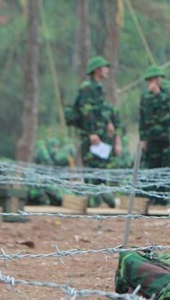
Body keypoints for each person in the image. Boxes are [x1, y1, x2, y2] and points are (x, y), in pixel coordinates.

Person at [72, 55, 122, 208]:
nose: (107, 70)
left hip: (101, 136)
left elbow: (101, 109)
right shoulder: (87, 87)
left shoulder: (99, 89)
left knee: (100, 168)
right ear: (97, 70)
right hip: (92, 136)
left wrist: (108, 123)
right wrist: (92, 132)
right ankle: (93, 202)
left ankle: (99, 200)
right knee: (91, 169)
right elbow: (86, 111)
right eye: (105, 67)